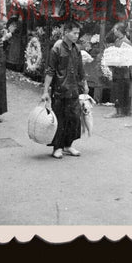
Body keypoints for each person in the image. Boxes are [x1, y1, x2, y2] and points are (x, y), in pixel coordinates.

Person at [42, 20, 88, 159]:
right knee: (59, 119)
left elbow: (81, 69)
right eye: (74, 33)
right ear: (66, 33)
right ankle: (57, 147)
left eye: (78, 33)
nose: (76, 36)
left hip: (74, 89)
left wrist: (84, 84)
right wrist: (45, 91)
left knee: (74, 118)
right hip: (60, 89)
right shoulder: (56, 48)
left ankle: (68, 145)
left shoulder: (76, 49)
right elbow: (50, 71)